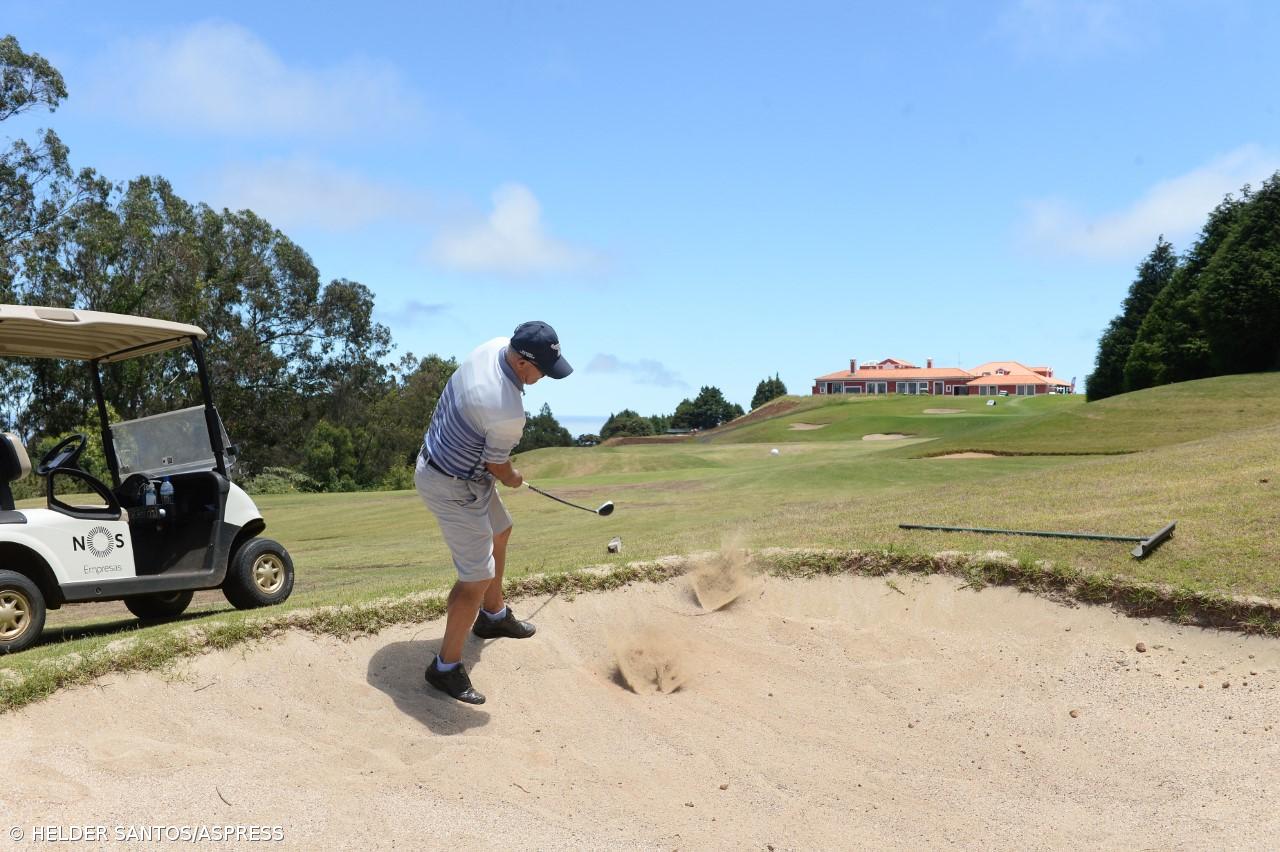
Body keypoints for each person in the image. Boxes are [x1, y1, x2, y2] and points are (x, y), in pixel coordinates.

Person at [416, 321, 572, 704]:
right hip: (451, 483)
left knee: (501, 530)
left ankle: (493, 616)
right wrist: (515, 478)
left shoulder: (495, 345)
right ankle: (445, 668)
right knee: (475, 577)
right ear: (521, 363)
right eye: (542, 370)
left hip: (449, 462)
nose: (545, 377)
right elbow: (498, 468)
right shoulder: (506, 411)